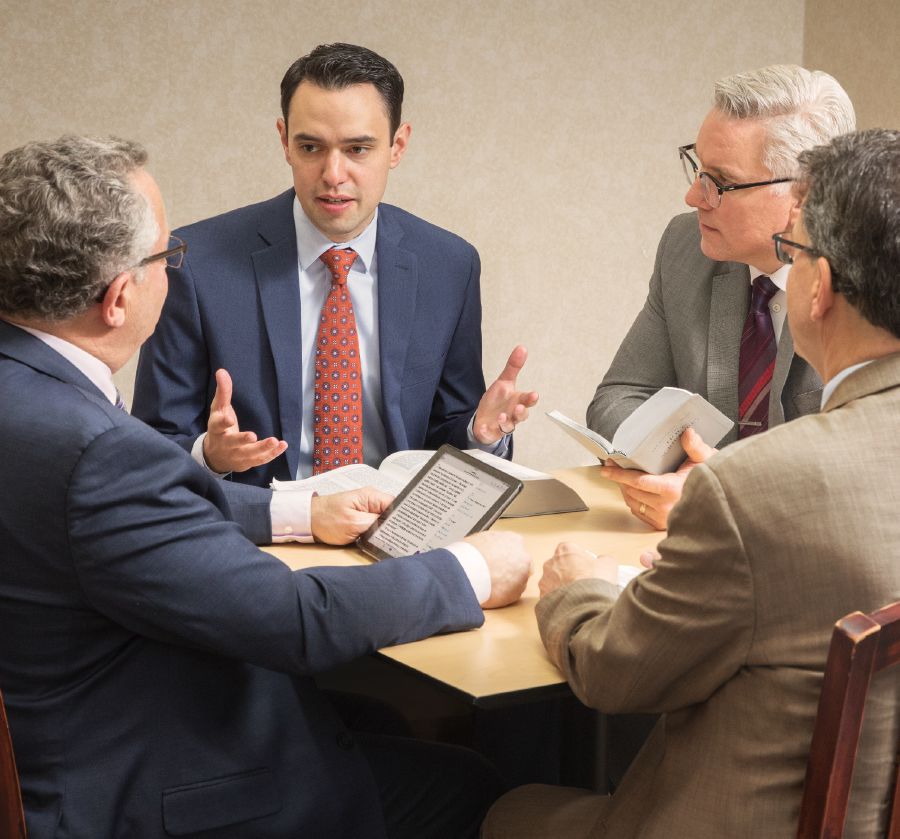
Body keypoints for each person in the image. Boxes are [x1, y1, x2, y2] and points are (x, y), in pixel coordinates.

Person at [0, 135, 533, 839]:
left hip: (70, 728)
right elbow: (296, 621)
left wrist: (296, 510)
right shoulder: (97, 451)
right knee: (472, 784)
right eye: (167, 257)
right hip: (137, 781)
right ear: (120, 296)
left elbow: (123, 516)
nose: (173, 271)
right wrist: (470, 569)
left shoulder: (36, 400)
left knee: (368, 715)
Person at [482, 128, 900, 838]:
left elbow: (616, 676)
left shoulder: (751, 491)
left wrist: (574, 588)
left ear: (820, 287)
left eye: (791, 255)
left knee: (503, 808)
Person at [132, 42, 538, 487]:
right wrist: (210, 456)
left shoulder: (449, 265)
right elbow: (154, 444)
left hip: (398, 529)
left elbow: (445, 434)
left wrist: (478, 434)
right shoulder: (195, 263)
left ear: (397, 146)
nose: (333, 174)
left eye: (358, 149)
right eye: (311, 147)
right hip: (263, 532)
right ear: (285, 141)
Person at [587, 64, 855, 531]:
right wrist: (687, 471)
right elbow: (618, 398)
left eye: (721, 182)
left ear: (802, 196)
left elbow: (861, 474)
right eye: (697, 167)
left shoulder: (868, 285)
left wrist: (719, 493)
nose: (694, 196)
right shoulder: (686, 246)